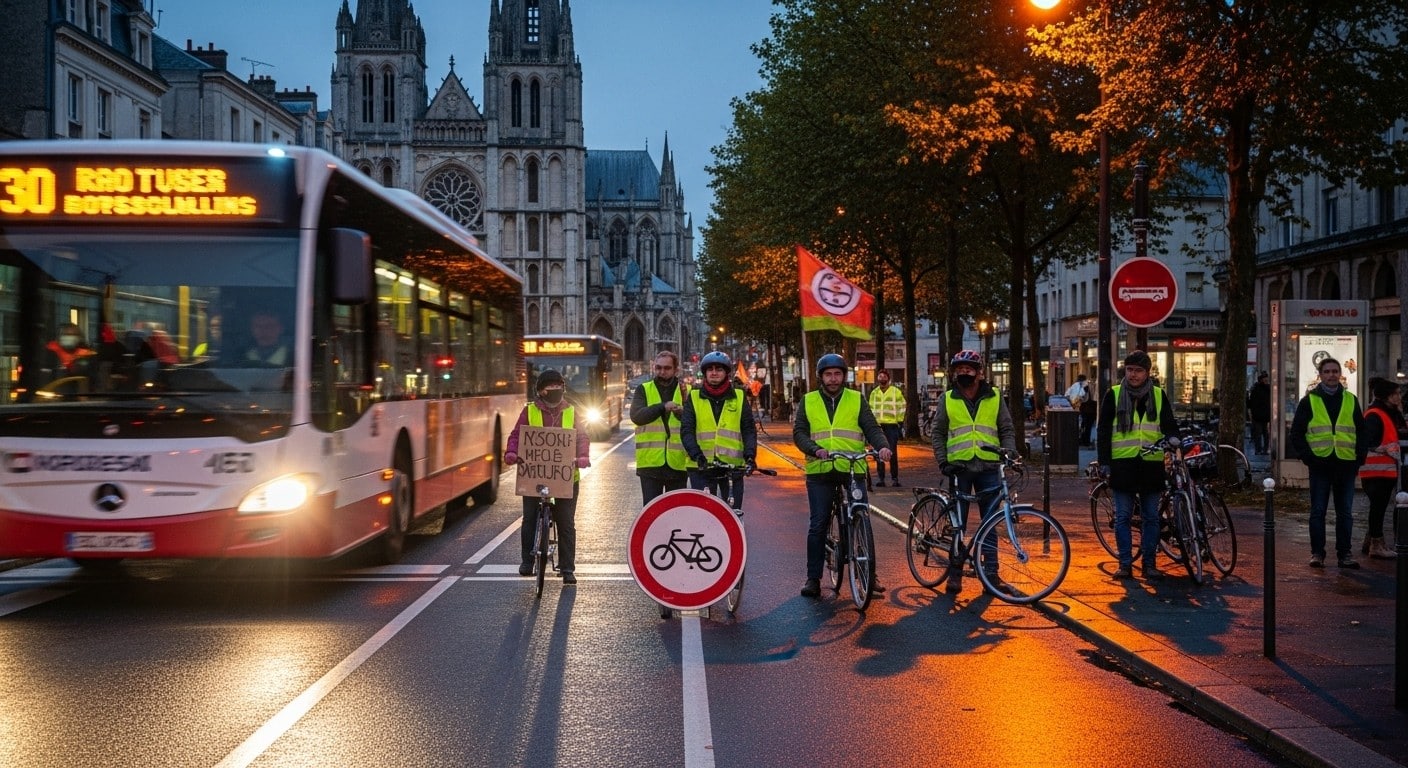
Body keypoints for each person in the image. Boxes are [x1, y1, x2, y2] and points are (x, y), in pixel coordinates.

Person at [793, 353, 893, 599]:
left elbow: (871, 428)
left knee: (861, 516)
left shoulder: (857, 399)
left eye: (838, 374)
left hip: (852, 469)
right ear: (821, 377)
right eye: (828, 374)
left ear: (844, 376)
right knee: (818, 524)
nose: (833, 378)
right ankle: (813, 578)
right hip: (821, 471)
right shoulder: (808, 401)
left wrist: (882, 446)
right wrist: (814, 450)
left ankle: (869, 572)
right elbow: (799, 433)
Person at [931, 349, 1019, 594]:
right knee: (958, 524)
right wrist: (943, 461)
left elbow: (1006, 428)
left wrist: (1009, 452)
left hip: (989, 466)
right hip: (959, 468)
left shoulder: (995, 397)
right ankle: (955, 573)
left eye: (969, 369)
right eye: (959, 370)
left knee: (990, 522)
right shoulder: (947, 398)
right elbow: (937, 433)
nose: (964, 373)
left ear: (980, 373)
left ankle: (991, 575)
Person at [1097, 350, 1179, 581]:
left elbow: (1169, 425)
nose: (1133, 375)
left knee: (1151, 517)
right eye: (1129, 370)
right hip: (1122, 465)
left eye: (1138, 370)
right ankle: (1125, 564)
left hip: (1151, 466)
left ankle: (1149, 564)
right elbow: (1103, 430)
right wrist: (1105, 462)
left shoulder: (1158, 395)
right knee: (1123, 516)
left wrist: (1174, 438)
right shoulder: (1113, 395)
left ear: (1148, 373)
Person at [504, 369, 591, 584]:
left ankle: (568, 568)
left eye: (558, 385)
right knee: (530, 517)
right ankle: (527, 561)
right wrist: (511, 452)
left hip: (566, 477)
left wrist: (582, 456)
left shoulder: (572, 411)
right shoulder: (529, 411)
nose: (555, 389)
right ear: (541, 391)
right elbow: (517, 434)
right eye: (550, 386)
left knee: (566, 523)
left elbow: (582, 437)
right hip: (535, 477)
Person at [1288, 356, 1366, 569]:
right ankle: (1317, 554)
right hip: (1320, 465)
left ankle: (1345, 554)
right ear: (1320, 375)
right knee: (1318, 511)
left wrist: (1359, 459)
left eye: (1335, 371)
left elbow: (1361, 431)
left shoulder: (1350, 399)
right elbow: (1296, 433)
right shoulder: (1309, 401)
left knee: (1345, 513)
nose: (1331, 375)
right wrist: (1309, 458)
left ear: (1340, 374)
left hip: (1345, 465)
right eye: (1327, 372)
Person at [681, 351, 757, 507]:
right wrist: (697, 455)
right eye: (710, 369)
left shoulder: (739, 397)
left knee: (734, 513)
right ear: (705, 373)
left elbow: (748, 429)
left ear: (726, 373)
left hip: (732, 467)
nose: (714, 373)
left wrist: (750, 456)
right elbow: (687, 430)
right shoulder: (694, 397)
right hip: (701, 468)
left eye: (719, 369)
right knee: (704, 515)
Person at [631, 350, 689, 503]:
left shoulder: (687, 391)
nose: (662, 372)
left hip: (678, 464)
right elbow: (637, 416)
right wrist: (663, 407)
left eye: (667, 368)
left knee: (676, 514)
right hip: (650, 464)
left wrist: (682, 413)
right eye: (658, 368)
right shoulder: (643, 389)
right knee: (651, 516)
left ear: (676, 370)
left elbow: (695, 422)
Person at [1358, 377, 1400, 560]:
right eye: (1396, 394)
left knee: (1379, 507)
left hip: (1383, 469)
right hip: (1377, 470)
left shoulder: (1385, 412)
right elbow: (1368, 442)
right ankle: (1376, 543)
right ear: (1387, 396)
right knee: (1378, 507)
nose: (1399, 397)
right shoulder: (1375, 414)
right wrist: (1384, 448)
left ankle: (1372, 540)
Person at [868, 369, 905, 486]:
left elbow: (902, 406)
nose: (882, 378)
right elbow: (870, 409)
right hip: (878, 426)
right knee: (879, 452)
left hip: (892, 425)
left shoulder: (896, 392)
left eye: (884, 376)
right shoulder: (874, 393)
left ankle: (895, 478)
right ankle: (881, 479)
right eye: (880, 376)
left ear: (888, 379)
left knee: (892, 452)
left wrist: (900, 421)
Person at [1248, 372, 1272, 455]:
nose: (1266, 381)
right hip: (1261, 416)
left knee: (1262, 434)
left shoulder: (1257, 389)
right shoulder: (1266, 389)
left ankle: (1260, 450)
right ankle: (1262, 449)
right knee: (1263, 434)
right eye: (1265, 380)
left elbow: (1251, 403)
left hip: (1261, 416)